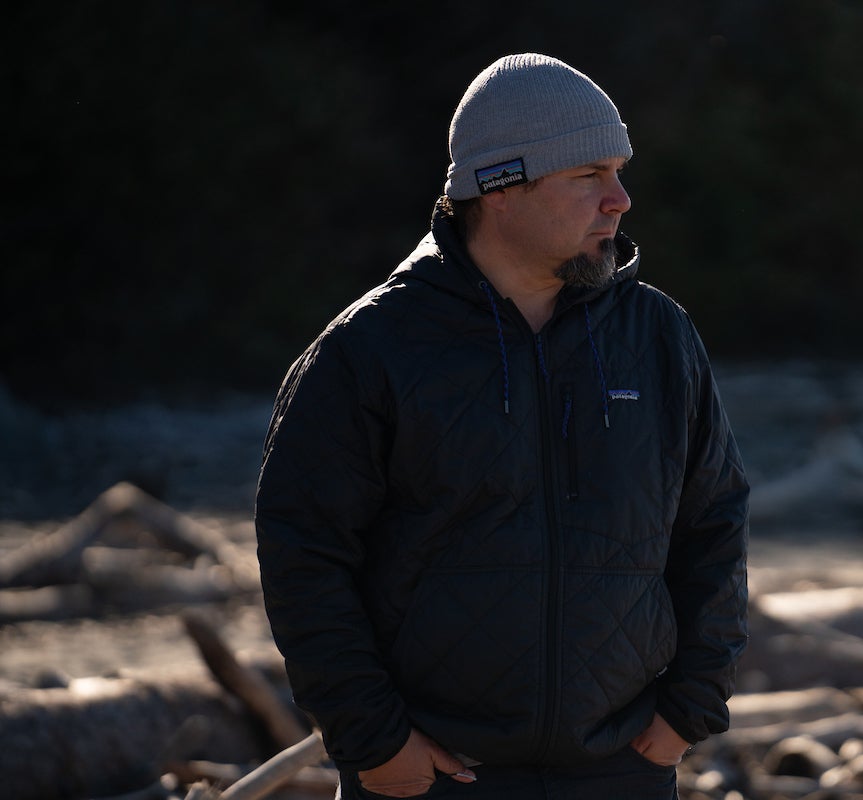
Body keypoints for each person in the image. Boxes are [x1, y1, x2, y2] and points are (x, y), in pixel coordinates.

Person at [255, 52, 749, 800]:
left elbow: (713, 521)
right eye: (588, 175)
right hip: (432, 777)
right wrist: (374, 742)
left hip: (622, 770)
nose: (619, 200)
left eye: (619, 171)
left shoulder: (657, 336)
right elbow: (304, 556)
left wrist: (689, 709)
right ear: (499, 189)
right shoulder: (370, 348)